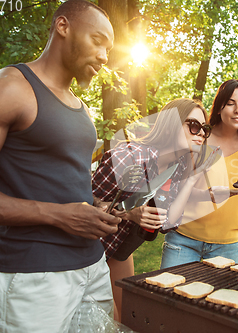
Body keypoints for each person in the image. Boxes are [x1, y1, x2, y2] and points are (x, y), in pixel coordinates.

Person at [0, 1, 120, 332]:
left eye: (108, 48)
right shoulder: (9, 89)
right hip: (32, 276)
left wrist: (95, 207)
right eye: (98, 40)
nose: (105, 57)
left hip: (93, 266)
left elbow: (61, 181)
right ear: (63, 26)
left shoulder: (82, 107)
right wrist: (58, 215)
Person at [92, 98, 223, 320]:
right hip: (88, 250)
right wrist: (130, 213)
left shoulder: (179, 166)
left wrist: (192, 179)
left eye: (205, 128)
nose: (201, 133)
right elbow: (84, 200)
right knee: (106, 319)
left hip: (119, 249)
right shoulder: (131, 156)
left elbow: (169, 222)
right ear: (172, 124)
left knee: (126, 317)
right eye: (193, 125)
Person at [160, 79, 238, 269]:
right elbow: (180, 188)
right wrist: (208, 195)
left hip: (228, 245)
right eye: (231, 103)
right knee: (168, 295)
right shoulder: (200, 136)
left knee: (222, 299)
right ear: (219, 107)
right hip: (185, 239)